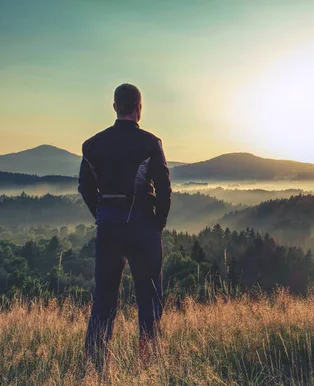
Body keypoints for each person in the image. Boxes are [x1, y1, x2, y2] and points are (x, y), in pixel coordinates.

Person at [79, 83, 171, 370]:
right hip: (144, 227)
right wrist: (159, 223)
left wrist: (102, 213)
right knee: (149, 299)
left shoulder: (93, 145)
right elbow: (165, 188)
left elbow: (84, 187)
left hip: (108, 228)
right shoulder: (150, 143)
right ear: (138, 108)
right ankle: (148, 366)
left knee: (104, 301)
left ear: (115, 106)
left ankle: (96, 368)